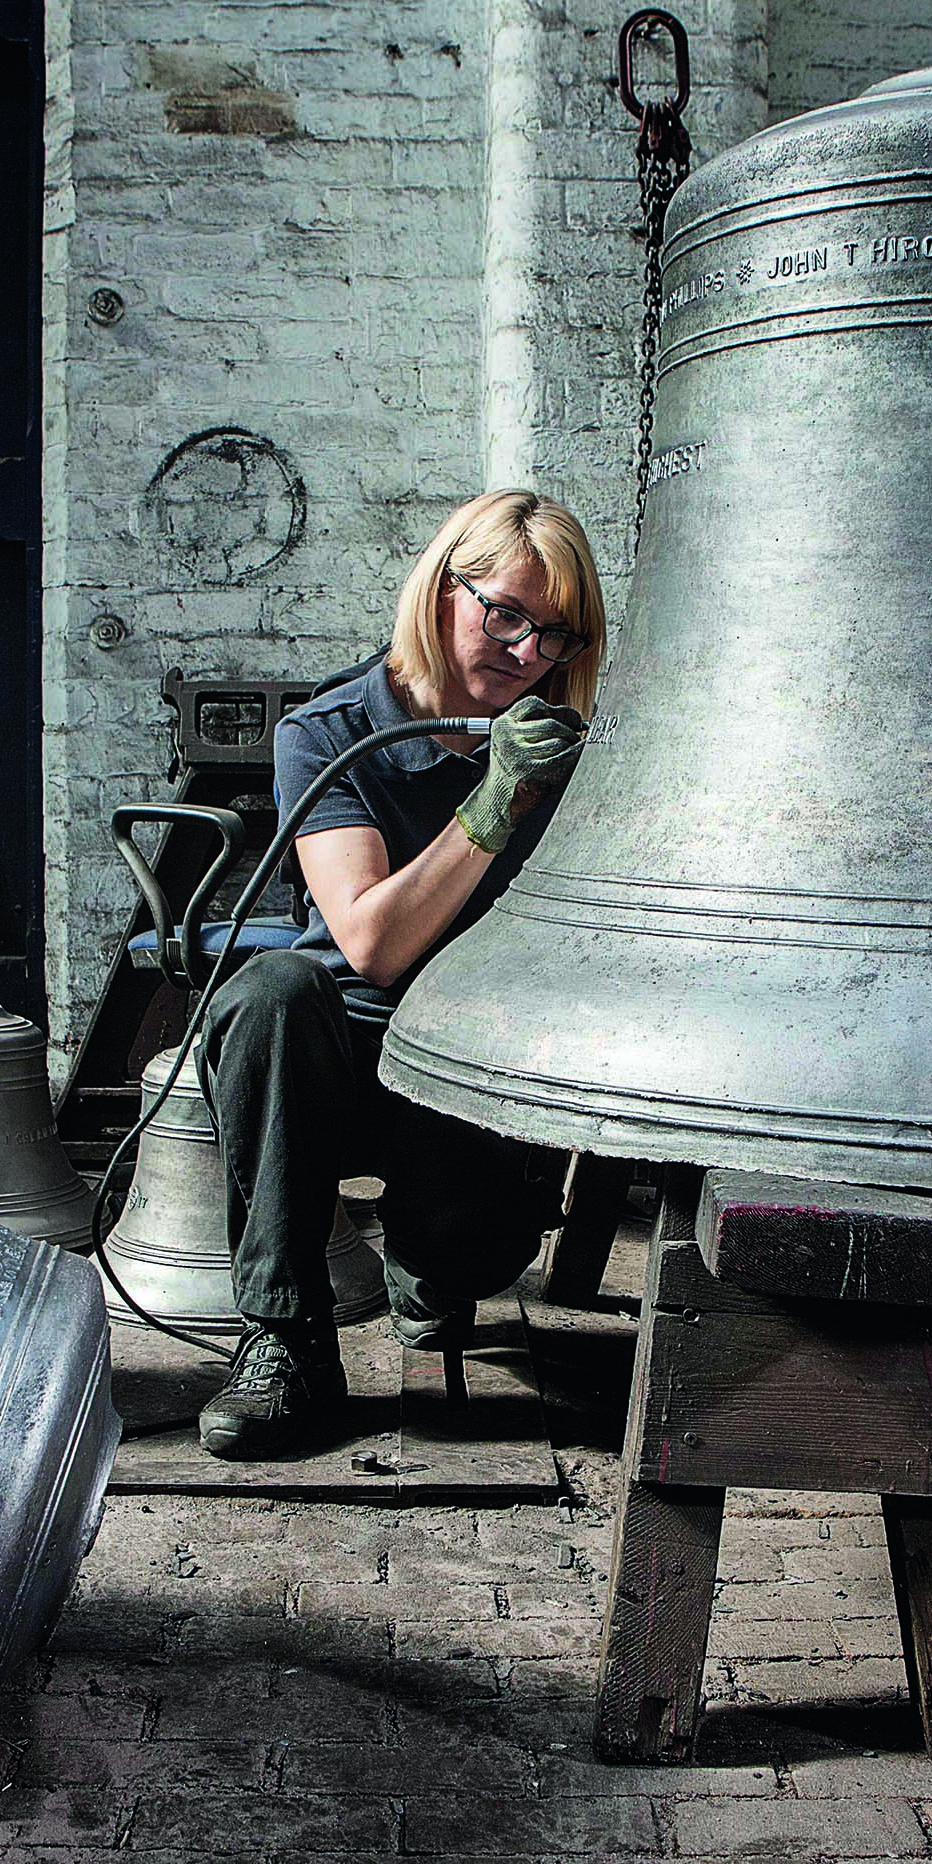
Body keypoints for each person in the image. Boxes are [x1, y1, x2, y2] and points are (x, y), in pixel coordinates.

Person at [192, 489, 607, 1459]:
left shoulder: (562, 746)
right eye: (501, 612)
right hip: (336, 1063)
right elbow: (372, 943)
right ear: (439, 589)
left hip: (471, 1059)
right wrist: (494, 803)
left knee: (478, 1249)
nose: (523, 652)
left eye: (552, 634)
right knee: (269, 993)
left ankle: (432, 1262)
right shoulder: (328, 733)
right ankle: (282, 1342)